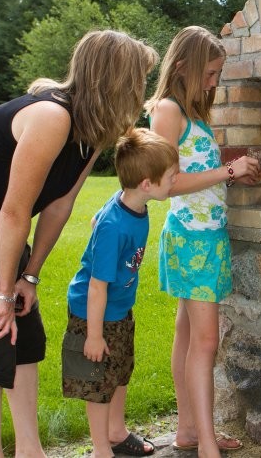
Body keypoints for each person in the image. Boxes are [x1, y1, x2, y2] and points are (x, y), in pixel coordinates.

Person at [0, 30, 158, 458]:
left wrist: (29, 276)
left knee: (24, 335)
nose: (142, 90)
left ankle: (30, 451)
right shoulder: (52, 117)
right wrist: (2, 291)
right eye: (139, 79)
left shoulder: (94, 131)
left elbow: (59, 206)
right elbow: (14, 212)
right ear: (117, 81)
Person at [145, 26, 261, 457]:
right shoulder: (167, 112)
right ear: (183, 68)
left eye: (217, 74)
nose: (215, 83)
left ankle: (189, 431)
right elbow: (163, 185)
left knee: (187, 335)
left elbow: (197, 173)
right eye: (210, 73)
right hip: (191, 241)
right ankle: (206, 443)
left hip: (206, 237)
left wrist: (232, 166)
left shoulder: (193, 114)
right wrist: (228, 172)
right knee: (206, 341)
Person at [62, 128, 178, 458]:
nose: (175, 180)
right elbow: (97, 287)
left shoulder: (133, 206)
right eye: (171, 176)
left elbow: (104, 213)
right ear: (147, 183)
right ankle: (101, 450)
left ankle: (116, 432)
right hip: (93, 313)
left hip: (119, 308)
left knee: (121, 370)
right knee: (97, 382)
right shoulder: (115, 226)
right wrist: (94, 336)